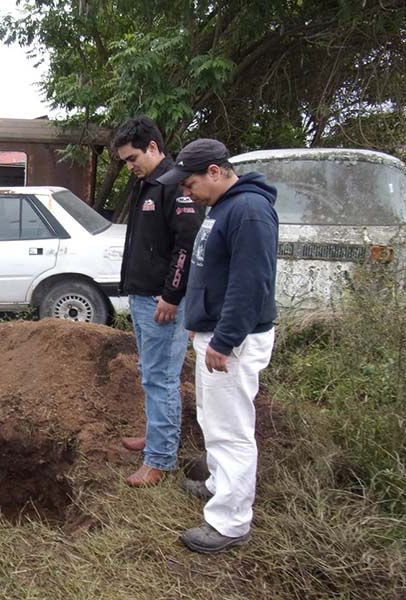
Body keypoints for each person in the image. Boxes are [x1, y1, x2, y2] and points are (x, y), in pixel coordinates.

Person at [157, 138, 279, 553]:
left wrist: (224, 338)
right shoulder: (223, 207)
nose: (186, 193)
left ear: (214, 172)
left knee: (231, 431)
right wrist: (198, 322)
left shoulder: (249, 211)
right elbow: (213, 271)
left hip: (235, 341)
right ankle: (217, 484)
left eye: (189, 184)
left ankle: (230, 521)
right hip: (214, 332)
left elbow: (251, 283)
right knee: (213, 418)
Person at [112, 117, 205, 487]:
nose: (129, 166)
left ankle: (160, 460)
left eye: (133, 158)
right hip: (142, 296)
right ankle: (155, 438)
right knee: (150, 375)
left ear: (153, 147)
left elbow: (187, 243)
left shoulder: (174, 187)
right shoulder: (148, 184)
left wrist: (171, 294)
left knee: (162, 379)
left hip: (161, 301)